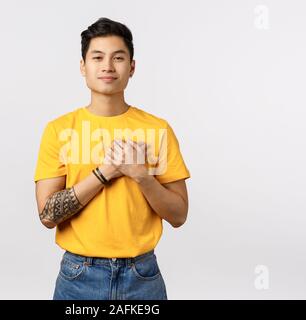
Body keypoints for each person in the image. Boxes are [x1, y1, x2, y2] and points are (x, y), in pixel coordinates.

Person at [34, 17, 191, 300]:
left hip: (142, 276)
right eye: (97, 57)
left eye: (118, 57)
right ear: (83, 67)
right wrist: (105, 172)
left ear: (131, 67)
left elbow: (179, 215)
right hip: (79, 276)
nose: (107, 66)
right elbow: (47, 215)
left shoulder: (157, 129)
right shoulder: (59, 130)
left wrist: (141, 175)